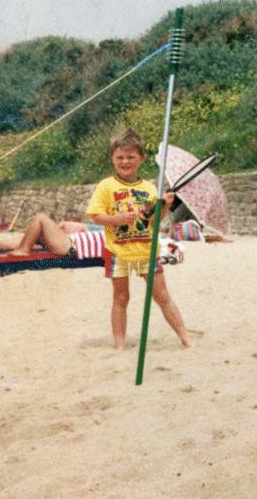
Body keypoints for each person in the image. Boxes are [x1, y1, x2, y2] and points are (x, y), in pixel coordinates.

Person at [86, 128, 191, 350]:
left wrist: (165, 206)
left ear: (141, 158)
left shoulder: (149, 188)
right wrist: (119, 218)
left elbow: (155, 221)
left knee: (162, 296)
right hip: (118, 251)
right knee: (121, 298)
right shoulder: (106, 186)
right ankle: (120, 344)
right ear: (112, 158)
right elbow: (95, 216)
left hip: (147, 251)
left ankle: (186, 338)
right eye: (120, 157)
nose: (125, 162)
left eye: (131, 157)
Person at [0, 211, 96, 270]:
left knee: (39, 219)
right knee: (11, 243)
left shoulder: (93, 229)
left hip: (69, 242)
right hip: (68, 241)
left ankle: (23, 249)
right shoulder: (99, 229)